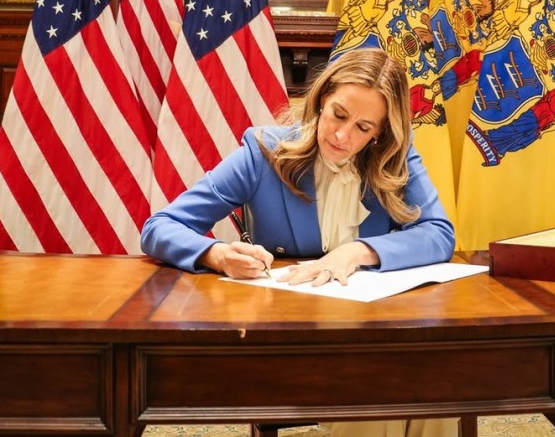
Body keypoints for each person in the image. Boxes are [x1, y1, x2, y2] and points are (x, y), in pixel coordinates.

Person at [141, 48, 458, 437]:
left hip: (371, 328)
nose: (343, 136)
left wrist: (358, 251)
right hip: (290, 335)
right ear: (322, 98)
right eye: (339, 115)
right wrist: (217, 254)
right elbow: (159, 227)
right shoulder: (263, 153)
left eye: (363, 127)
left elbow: (440, 234)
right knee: (389, 387)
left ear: (380, 132)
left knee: (437, 381)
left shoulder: (396, 157)